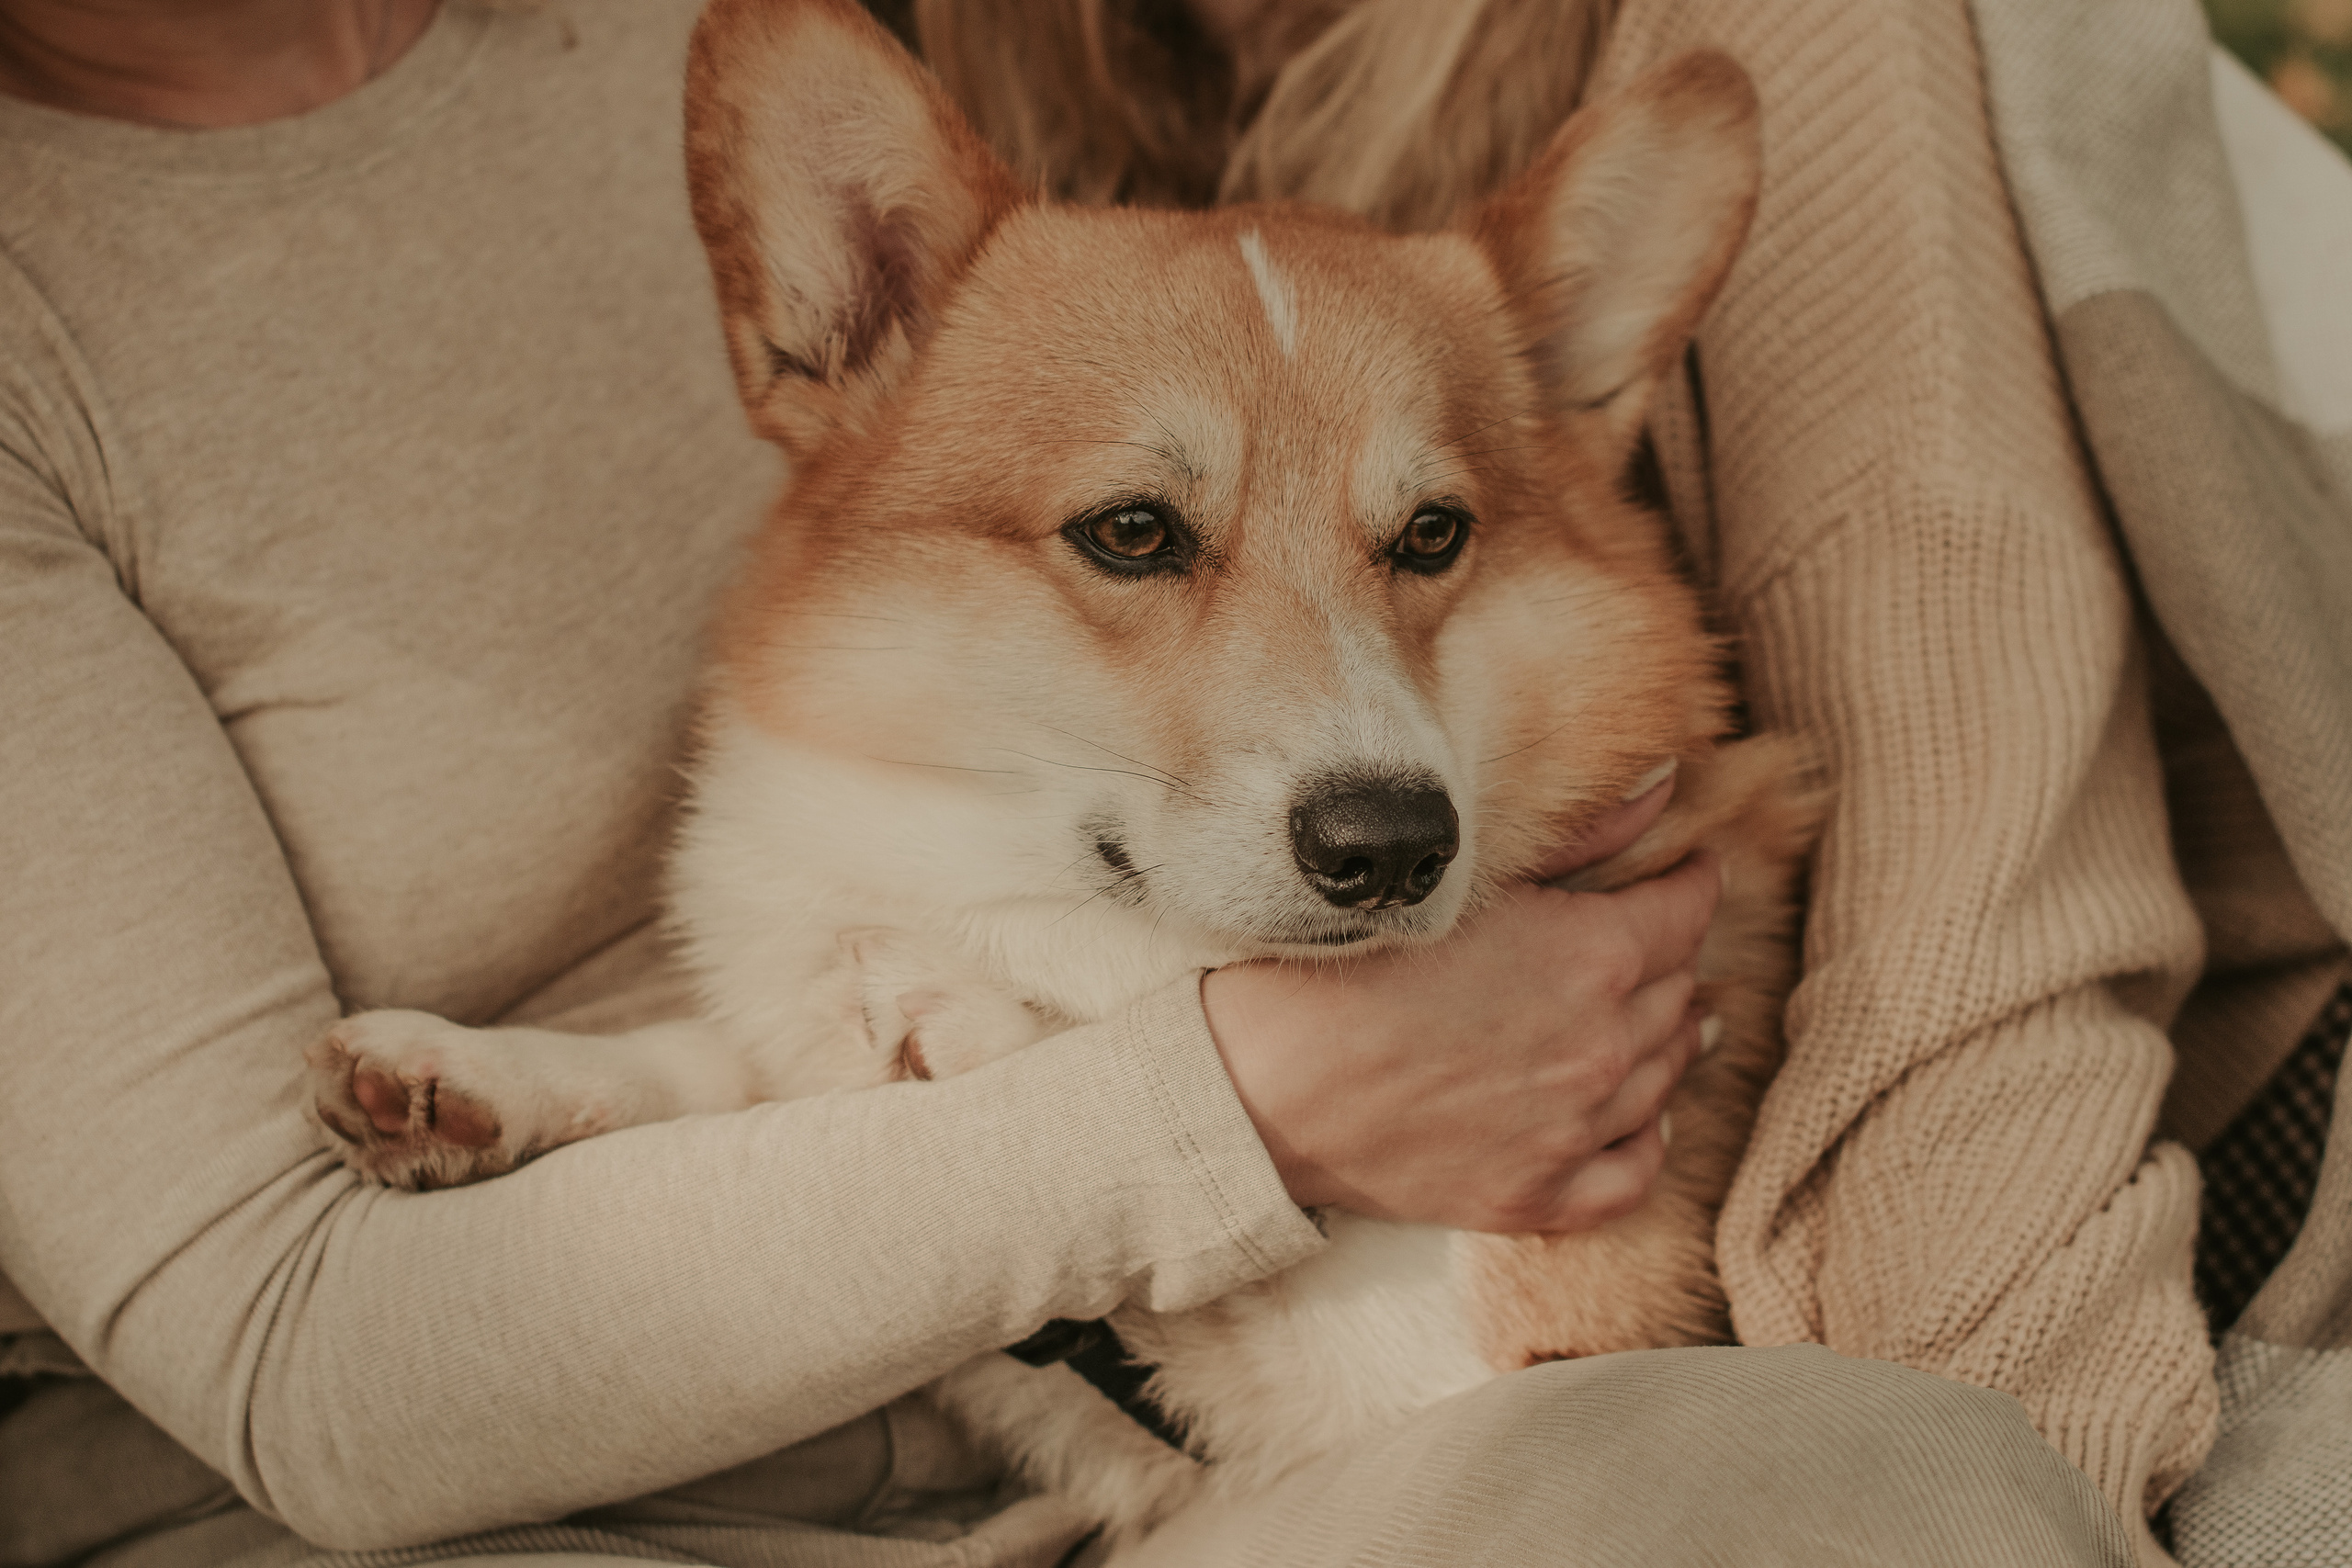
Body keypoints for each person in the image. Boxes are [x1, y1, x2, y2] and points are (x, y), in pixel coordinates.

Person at [8, 0, 2332, 1564]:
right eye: (1138, 540)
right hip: (563, 1489)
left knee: (1849, 1480)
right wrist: (1259, 1101)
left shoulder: (685, 29)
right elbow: (305, 1363)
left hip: (1165, 1356)